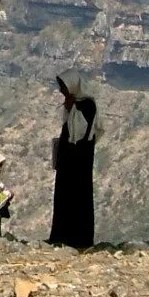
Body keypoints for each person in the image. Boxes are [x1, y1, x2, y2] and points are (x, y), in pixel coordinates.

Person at [48, 70, 103, 248]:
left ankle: (79, 238)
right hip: (67, 162)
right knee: (64, 197)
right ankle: (60, 235)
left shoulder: (87, 105)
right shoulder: (74, 104)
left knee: (79, 198)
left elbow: (81, 131)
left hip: (79, 162)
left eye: (64, 86)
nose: (62, 91)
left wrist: (72, 108)